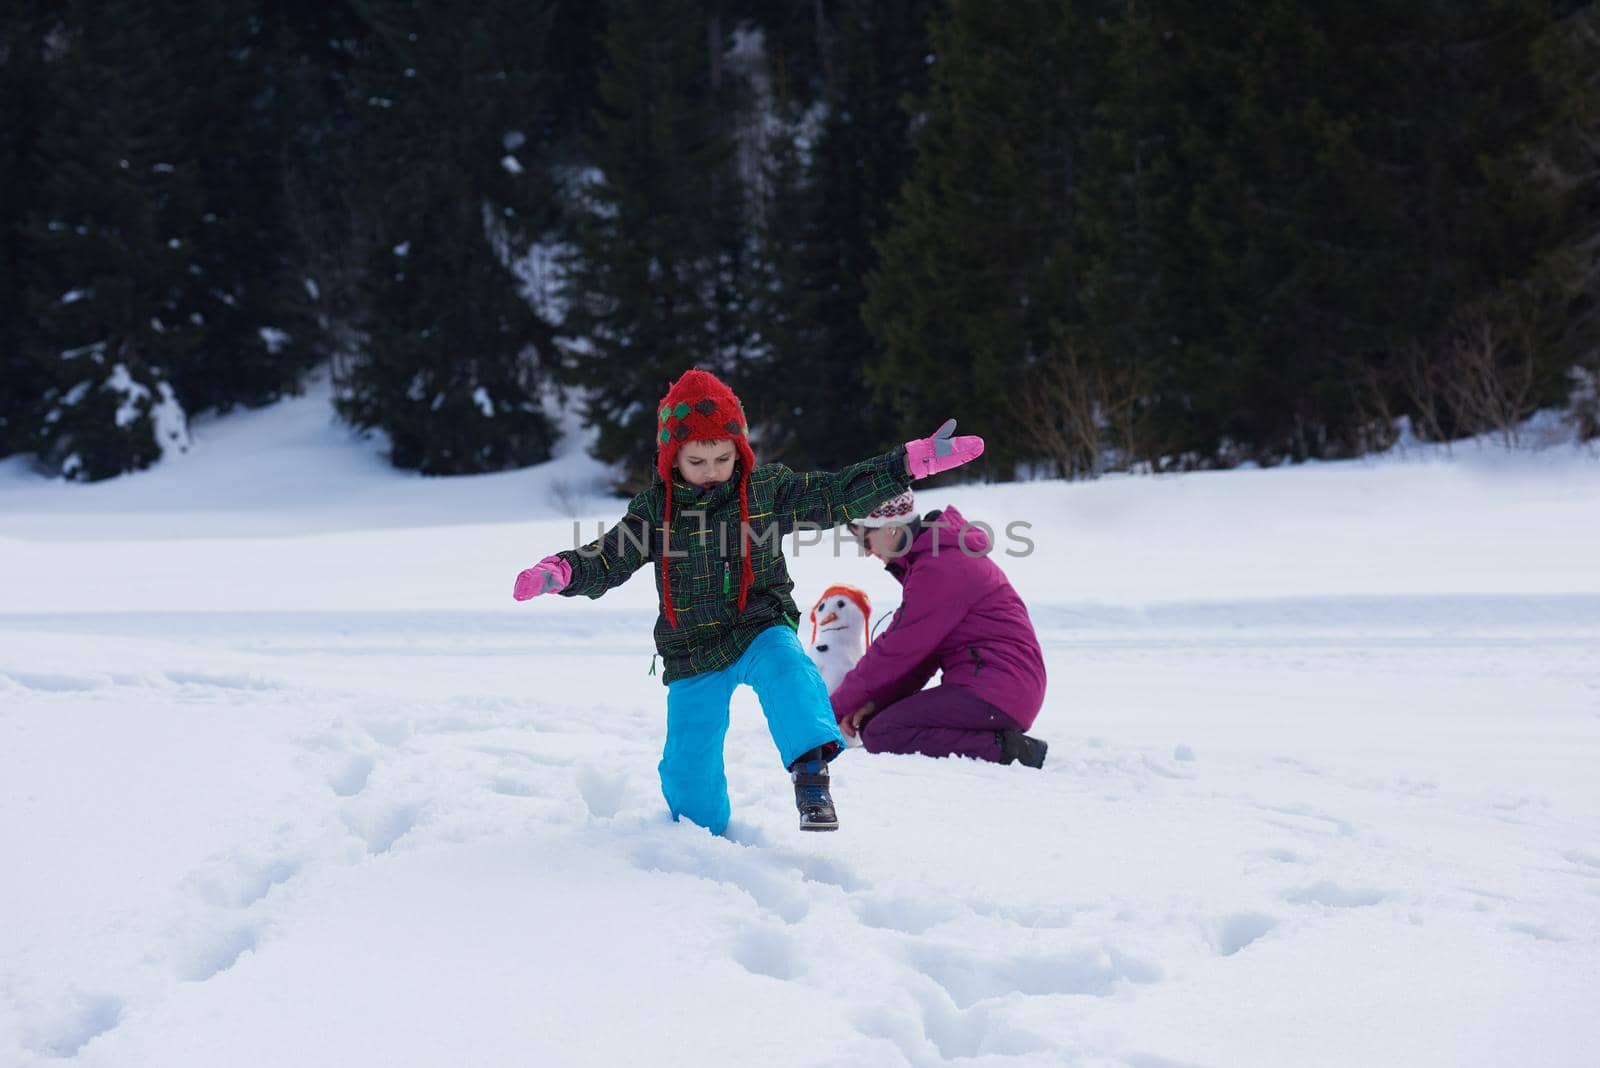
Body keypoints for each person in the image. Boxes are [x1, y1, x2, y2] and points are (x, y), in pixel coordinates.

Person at [511, 369, 985, 833]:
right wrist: (562, 571)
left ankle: (811, 776)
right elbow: (609, 556)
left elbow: (835, 493)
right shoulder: (655, 510)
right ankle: (698, 837)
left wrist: (906, 463)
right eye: (696, 462)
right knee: (687, 765)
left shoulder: (766, 490)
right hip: (692, 648)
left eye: (722, 457)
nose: (712, 471)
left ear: (738, 449)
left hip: (758, 622)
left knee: (790, 672)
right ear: (671, 457)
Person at [831, 488, 1049, 767]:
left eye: (864, 537)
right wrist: (876, 701)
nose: (865, 551)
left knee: (884, 732)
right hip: (1002, 689)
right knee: (877, 724)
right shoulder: (935, 559)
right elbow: (921, 657)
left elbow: (894, 652)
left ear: (892, 530)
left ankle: (1009, 750)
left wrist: (826, 713)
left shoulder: (939, 568)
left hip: (998, 690)